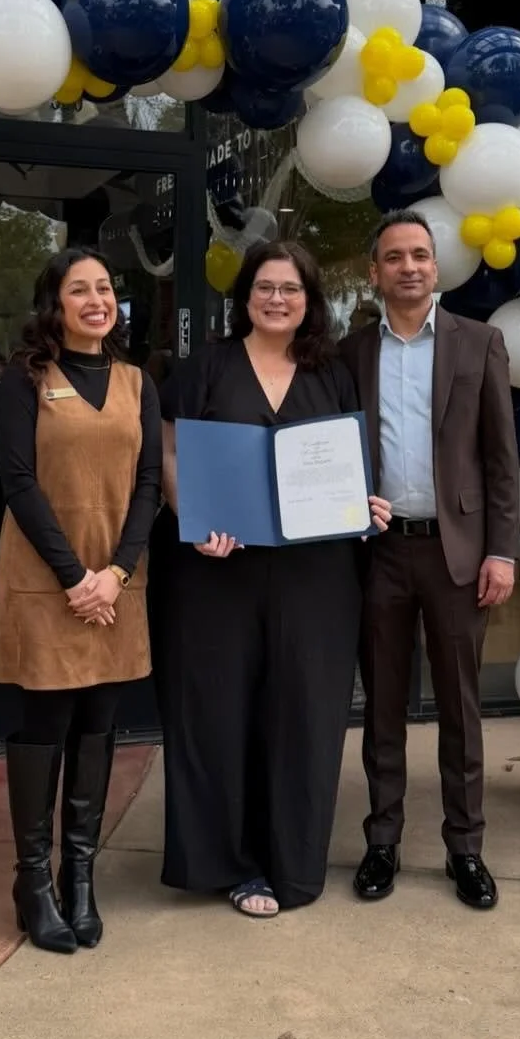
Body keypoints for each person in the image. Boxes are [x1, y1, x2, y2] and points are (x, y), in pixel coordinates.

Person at [155, 240, 391, 918]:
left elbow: (352, 461)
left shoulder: (333, 373)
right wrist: (192, 515)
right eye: (265, 287)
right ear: (246, 297)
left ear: (309, 300)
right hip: (218, 571)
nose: (277, 299)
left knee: (305, 715)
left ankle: (291, 863)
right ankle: (232, 863)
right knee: (221, 715)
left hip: (316, 576)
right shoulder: (208, 367)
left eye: (290, 289)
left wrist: (365, 505)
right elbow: (169, 449)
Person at [339, 209, 520, 911]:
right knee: (382, 706)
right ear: (374, 271)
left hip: (459, 557)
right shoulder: (355, 352)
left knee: (461, 710)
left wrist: (502, 550)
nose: (409, 266)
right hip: (379, 554)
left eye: (420, 254)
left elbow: (502, 460)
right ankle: (382, 841)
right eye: (394, 257)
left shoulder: (480, 343)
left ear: (436, 267)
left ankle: (464, 848)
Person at [0, 249, 162, 952]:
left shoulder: (137, 381)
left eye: (104, 288)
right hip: (47, 582)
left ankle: (80, 878)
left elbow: (149, 482)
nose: (96, 299)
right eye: (78, 290)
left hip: (115, 585)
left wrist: (115, 574)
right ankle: (33, 881)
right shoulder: (27, 378)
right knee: (46, 723)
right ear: (54, 305)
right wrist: (74, 576)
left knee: (99, 723)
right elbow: (18, 479)